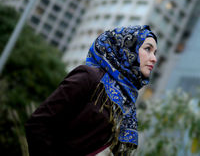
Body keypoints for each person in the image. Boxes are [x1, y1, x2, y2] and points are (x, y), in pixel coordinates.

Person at [25, 25, 158, 156]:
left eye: (155, 52)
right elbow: (38, 124)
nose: (154, 58)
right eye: (148, 49)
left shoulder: (127, 102)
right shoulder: (90, 77)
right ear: (127, 49)